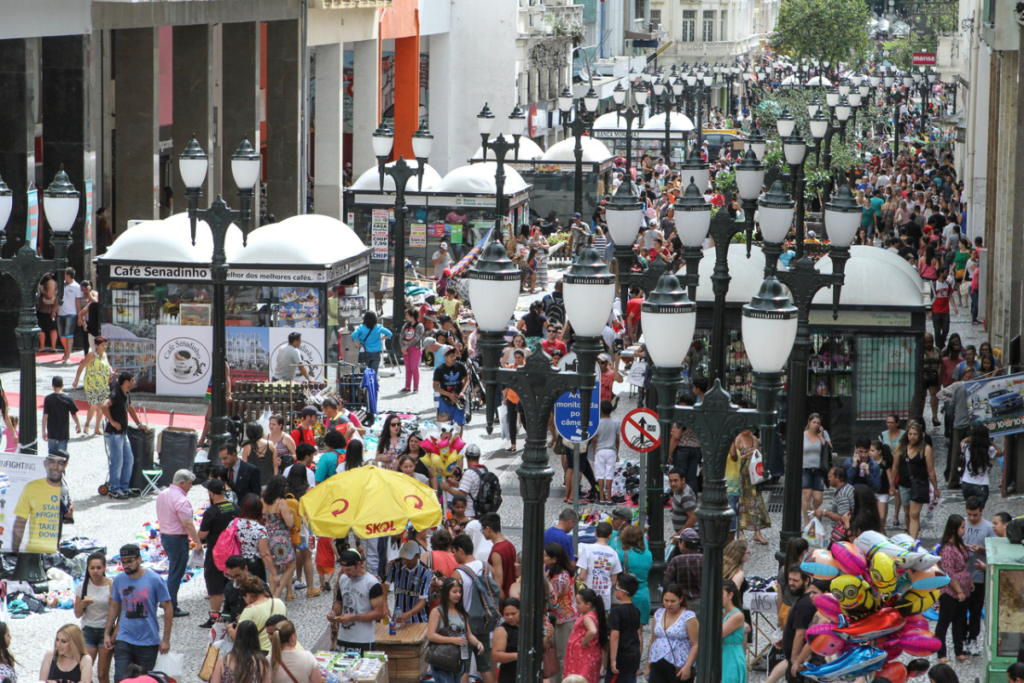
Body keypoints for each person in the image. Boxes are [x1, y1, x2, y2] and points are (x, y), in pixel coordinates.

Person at [104, 544, 172, 682]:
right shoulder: (118, 580)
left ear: (139, 559)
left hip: (148, 641)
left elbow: (168, 607)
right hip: (124, 638)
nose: (126, 565)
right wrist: (107, 633)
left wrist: (166, 639)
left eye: (129, 561)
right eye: (123, 562)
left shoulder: (154, 579)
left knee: (144, 680)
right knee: (120, 679)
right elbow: (115, 606)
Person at [155, 469, 202, 616]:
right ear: (182, 483)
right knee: (176, 573)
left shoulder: (163, 494)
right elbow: (188, 525)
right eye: (190, 483)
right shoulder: (181, 500)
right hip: (178, 539)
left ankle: (167, 601)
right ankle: (171, 606)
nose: (191, 486)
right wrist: (198, 542)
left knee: (173, 570)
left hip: (166, 536)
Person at [198, 478, 239, 625]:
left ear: (211, 493)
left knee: (215, 585)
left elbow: (202, 534)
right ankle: (231, 614)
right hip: (233, 551)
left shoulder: (211, 512)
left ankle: (214, 618)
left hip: (216, 554)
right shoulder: (235, 507)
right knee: (232, 582)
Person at [427, 577, 484, 683]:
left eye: (460, 592)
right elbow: (431, 635)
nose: (458, 595)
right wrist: (453, 640)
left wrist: (478, 643)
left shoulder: (461, 612)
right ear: (446, 593)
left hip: (458, 660)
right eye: (454, 592)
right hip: (442, 661)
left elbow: (469, 635)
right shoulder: (437, 612)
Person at [101, 372, 147, 500]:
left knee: (129, 460)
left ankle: (124, 487)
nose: (134, 382)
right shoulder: (116, 394)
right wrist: (112, 421)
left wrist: (139, 424)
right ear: (126, 382)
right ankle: (115, 489)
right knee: (117, 462)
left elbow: (130, 408)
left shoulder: (126, 393)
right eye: (132, 380)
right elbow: (104, 406)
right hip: (114, 434)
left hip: (122, 433)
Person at [330, 550, 385, 654]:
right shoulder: (343, 579)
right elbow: (340, 602)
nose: (346, 573)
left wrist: (353, 617)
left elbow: (378, 613)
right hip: (343, 638)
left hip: (363, 640)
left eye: (348, 569)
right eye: (343, 569)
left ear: (359, 564)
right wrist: (333, 613)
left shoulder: (371, 583)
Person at [12, 451, 68, 552]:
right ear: (44, 464)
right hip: (36, 550)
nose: (55, 467)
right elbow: (20, 521)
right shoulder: (31, 487)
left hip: (51, 548)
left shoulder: (63, 485)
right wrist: (14, 552)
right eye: (51, 462)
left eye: (59, 463)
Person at [891, 422, 939, 539]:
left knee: (914, 514)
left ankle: (913, 541)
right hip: (904, 483)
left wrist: (935, 487)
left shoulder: (925, 449)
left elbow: (930, 470)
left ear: (920, 435)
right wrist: (891, 484)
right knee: (907, 513)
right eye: (910, 434)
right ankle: (910, 537)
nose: (912, 436)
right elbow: (895, 467)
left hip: (919, 484)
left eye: (915, 434)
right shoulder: (901, 447)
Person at [935, 514, 971, 663]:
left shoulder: (958, 544)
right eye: (962, 527)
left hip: (964, 590)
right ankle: (941, 654)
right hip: (950, 593)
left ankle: (959, 651)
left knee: (960, 622)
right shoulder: (948, 550)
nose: (964, 530)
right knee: (944, 622)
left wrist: (969, 581)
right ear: (954, 529)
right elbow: (949, 573)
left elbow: (963, 565)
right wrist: (959, 591)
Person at [645, 584, 698, 683]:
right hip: (657, 660)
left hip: (679, 663)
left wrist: (687, 666)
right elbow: (653, 641)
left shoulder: (688, 616)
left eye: (673, 601)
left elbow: (695, 644)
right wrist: (648, 665)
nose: (669, 604)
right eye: (666, 600)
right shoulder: (658, 614)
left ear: (680, 599)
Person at [75, 552, 113, 683]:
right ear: (88, 569)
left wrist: (112, 633)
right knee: (84, 672)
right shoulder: (82, 586)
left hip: (105, 631)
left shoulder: (111, 585)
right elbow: (77, 614)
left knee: (102, 674)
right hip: (88, 630)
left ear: (104, 568)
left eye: (98, 567)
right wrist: (81, 605)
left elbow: (116, 610)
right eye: (92, 568)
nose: (95, 571)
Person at [963, 496, 995, 654]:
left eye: (975, 515)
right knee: (961, 611)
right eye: (969, 514)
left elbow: (995, 550)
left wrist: (981, 549)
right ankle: (962, 639)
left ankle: (973, 639)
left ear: (981, 511)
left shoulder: (988, 528)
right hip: (962, 576)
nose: (971, 518)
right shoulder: (961, 524)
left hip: (978, 576)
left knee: (975, 611)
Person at [544, 542, 577, 681]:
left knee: (561, 655)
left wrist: (544, 580)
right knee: (557, 654)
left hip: (563, 619)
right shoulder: (558, 573)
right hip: (561, 617)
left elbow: (553, 600)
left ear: (554, 559)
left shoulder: (559, 577)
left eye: (545, 556)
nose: (543, 558)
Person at [229, 575, 287, 653]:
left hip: (262, 652)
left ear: (248, 595)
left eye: (244, 598)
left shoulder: (249, 610)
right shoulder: (279, 602)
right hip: (282, 648)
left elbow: (237, 636)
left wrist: (229, 629)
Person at [262, 476, 297, 600]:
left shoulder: (263, 500)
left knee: (274, 568)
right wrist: (292, 516)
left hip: (268, 537)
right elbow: (289, 523)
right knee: (291, 565)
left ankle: (271, 596)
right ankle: (277, 593)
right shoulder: (281, 502)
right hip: (281, 538)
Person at [732, 428, 769, 545]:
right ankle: (740, 532)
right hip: (740, 477)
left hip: (752, 476)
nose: (744, 429)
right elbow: (734, 459)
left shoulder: (754, 440)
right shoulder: (738, 440)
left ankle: (757, 532)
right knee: (741, 504)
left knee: (756, 503)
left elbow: (758, 456)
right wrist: (747, 454)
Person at [72, 335, 113, 436]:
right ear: (97, 345)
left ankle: (97, 428)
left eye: (105, 345)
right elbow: (81, 366)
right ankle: (87, 424)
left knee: (101, 406)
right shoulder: (91, 355)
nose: (104, 347)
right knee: (94, 405)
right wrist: (76, 380)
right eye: (102, 345)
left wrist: (111, 371)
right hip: (91, 384)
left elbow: (107, 365)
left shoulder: (105, 355)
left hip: (103, 384)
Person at [383, 541, 432, 624]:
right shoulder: (394, 565)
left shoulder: (425, 572)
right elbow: (385, 585)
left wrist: (408, 614)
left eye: (409, 558)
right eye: (404, 558)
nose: (406, 561)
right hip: (398, 617)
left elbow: (422, 601)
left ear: (417, 555)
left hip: (418, 620)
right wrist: (384, 604)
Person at [564, 588, 607, 683]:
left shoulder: (587, 618)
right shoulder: (593, 615)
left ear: (588, 604)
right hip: (584, 656)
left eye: (579, 603)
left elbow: (593, 631)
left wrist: (584, 642)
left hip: (583, 657)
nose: (576, 605)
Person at [578, 522, 622, 612]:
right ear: (610, 536)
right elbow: (614, 581)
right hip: (604, 598)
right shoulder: (614, 553)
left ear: (595, 534)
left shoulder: (587, 549)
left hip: (588, 598)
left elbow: (582, 576)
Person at [607, 573, 642, 683]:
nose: (615, 590)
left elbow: (615, 636)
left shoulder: (616, 612)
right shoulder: (636, 610)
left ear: (622, 592)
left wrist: (613, 659)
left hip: (621, 656)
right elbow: (638, 634)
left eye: (616, 588)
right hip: (633, 655)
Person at [236, 493, 278, 586]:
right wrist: (274, 574)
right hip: (254, 565)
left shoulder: (233, 524)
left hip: (237, 563)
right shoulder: (259, 529)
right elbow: (264, 554)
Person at [782, 567, 814, 683]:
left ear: (806, 580)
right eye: (790, 579)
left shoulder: (804, 605)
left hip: (800, 662)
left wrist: (795, 661)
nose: (791, 583)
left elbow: (801, 634)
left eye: (795, 580)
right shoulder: (802, 598)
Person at [614, 525, 652, 624]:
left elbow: (615, 573)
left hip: (627, 595)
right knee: (639, 628)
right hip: (643, 593)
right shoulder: (648, 554)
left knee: (626, 627)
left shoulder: (622, 555)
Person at [801, 414, 831, 526]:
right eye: (814, 422)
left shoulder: (823, 434)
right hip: (805, 469)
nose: (816, 425)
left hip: (819, 470)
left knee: (818, 498)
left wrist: (821, 437)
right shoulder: (803, 435)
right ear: (809, 422)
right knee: (807, 495)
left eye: (818, 423)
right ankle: (806, 523)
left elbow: (829, 448)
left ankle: (813, 510)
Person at [665, 529, 703, 614]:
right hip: (701, 601)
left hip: (683, 602)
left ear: (683, 543)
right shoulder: (704, 559)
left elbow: (667, 582)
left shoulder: (676, 560)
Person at [813, 467, 854, 546]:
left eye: (830, 477)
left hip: (843, 537)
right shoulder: (848, 487)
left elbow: (843, 518)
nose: (828, 479)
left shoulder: (842, 494)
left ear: (837, 478)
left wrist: (825, 513)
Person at [480, 514, 517, 602]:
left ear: (488, 529)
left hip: (502, 600)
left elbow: (498, 583)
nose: (482, 532)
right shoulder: (510, 545)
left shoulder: (496, 551)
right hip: (512, 595)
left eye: (482, 529)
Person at [776, 538, 809, 630]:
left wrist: (779, 619)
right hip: (800, 612)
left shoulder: (783, 569)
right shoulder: (806, 571)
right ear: (804, 552)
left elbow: (779, 597)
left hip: (785, 611)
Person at [42, 376, 81, 455]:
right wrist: (78, 425)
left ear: (52, 385)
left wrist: (43, 430)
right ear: (62, 385)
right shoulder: (68, 399)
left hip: (52, 431)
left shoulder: (48, 399)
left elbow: (45, 415)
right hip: (63, 431)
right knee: (62, 456)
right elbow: (73, 414)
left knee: (51, 454)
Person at [433, 347, 468, 431]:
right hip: (445, 400)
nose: (453, 358)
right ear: (445, 357)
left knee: (459, 424)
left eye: (454, 356)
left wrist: (463, 391)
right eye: (451, 356)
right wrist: (449, 395)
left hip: (458, 399)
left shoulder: (460, 366)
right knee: (445, 424)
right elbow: (435, 386)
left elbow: (467, 379)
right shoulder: (440, 369)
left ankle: (458, 439)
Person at [961, 424, 996, 506]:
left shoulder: (966, 447)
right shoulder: (988, 449)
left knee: (970, 508)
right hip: (982, 485)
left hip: (966, 484)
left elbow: (962, 441)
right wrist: (990, 442)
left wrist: (971, 437)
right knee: (978, 510)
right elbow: (1000, 452)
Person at [722, 581, 746, 683]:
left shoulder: (737, 615)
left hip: (731, 655)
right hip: (722, 654)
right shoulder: (722, 612)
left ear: (730, 595)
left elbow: (719, 633)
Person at [492, 598, 520, 683]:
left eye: (513, 614)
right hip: (509, 674)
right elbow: (496, 655)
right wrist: (519, 656)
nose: (510, 617)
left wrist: (548, 637)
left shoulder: (528, 627)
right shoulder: (502, 630)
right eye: (507, 614)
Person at [869, 440, 895, 534]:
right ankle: (878, 531)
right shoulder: (868, 462)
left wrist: (891, 487)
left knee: (882, 516)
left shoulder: (884, 463)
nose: (870, 453)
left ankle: (881, 530)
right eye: (869, 450)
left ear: (879, 451)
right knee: (872, 515)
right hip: (871, 492)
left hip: (883, 492)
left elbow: (889, 476)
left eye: (872, 450)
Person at [58, 267, 83, 364]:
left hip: (71, 313)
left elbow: (78, 302)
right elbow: (57, 297)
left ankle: (67, 356)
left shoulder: (76, 287)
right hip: (61, 312)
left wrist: (79, 316)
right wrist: (54, 310)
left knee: (69, 335)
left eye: (64, 274)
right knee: (62, 335)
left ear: (68, 275)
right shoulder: (61, 285)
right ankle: (66, 351)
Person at [400, 309, 425, 393]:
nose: (406, 316)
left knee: (414, 368)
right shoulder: (406, 325)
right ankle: (407, 386)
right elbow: (401, 336)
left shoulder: (419, 326)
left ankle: (416, 387)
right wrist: (403, 347)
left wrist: (407, 345)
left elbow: (416, 338)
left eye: (408, 315)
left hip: (415, 348)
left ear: (412, 316)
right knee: (408, 368)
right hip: (405, 349)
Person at [37, 272, 59, 353]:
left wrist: (41, 290)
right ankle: (52, 347)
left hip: (46, 309)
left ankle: (43, 347)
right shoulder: (55, 282)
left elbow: (49, 295)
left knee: (43, 328)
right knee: (52, 328)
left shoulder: (50, 281)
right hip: (51, 309)